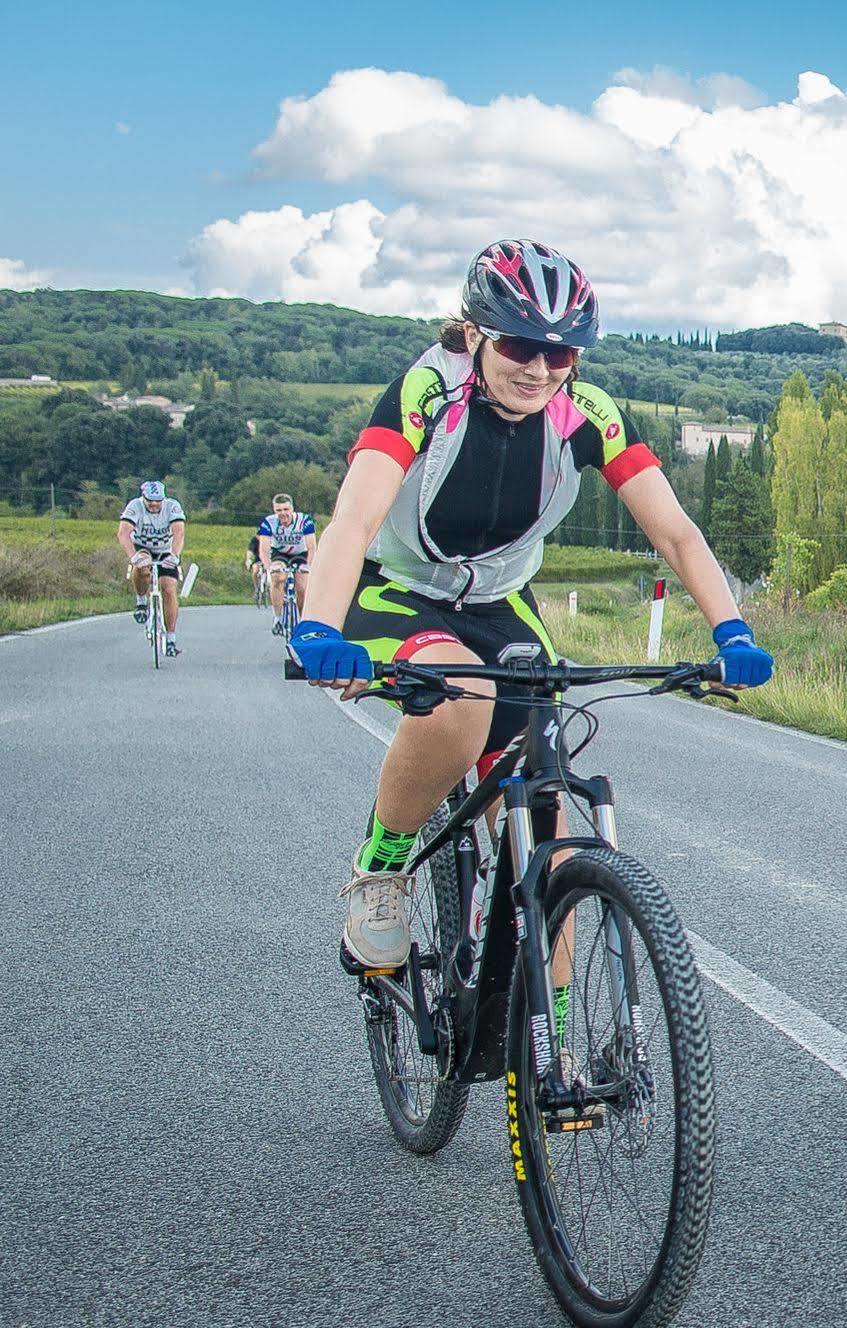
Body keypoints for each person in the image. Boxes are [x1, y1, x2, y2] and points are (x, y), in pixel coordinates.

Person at [289, 238, 774, 974]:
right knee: (462, 699)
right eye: (522, 344)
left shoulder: (585, 412)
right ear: (477, 331)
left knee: (546, 835)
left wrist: (732, 630)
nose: (541, 369)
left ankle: (562, 1067)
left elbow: (674, 531)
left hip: (498, 600)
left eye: (564, 354)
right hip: (393, 585)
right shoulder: (429, 388)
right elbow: (353, 518)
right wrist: (319, 627)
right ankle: (380, 865)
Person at [118, 480, 186, 656]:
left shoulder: (172, 507)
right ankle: (141, 601)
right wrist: (133, 557)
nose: (154, 504)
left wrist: (175, 556)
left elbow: (179, 532)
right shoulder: (134, 506)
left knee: (169, 589)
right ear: (143, 497)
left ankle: (170, 639)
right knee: (143, 567)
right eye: (150, 501)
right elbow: (123, 533)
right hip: (142, 547)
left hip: (165, 550)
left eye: (158, 501)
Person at [256, 494, 316, 632]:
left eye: (285, 509)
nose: (283, 513)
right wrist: (268, 568)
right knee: (277, 577)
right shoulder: (269, 522)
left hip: (301, 553)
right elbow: (264, 550)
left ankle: (303, 621)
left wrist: (308, 566)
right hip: (280, 553)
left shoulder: (304, 520)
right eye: (278, 510)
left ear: (292, 509)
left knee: (302, 586)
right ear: (274, 510)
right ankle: (277, 618)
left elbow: (312, 547)